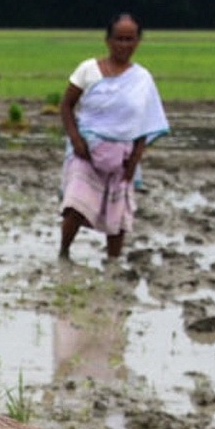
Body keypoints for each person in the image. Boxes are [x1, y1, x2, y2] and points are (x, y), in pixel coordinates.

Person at [58, 13, 168, 262]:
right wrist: (76, 140)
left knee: (118, 215)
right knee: (75, 204)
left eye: (130, 39)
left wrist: (135, 159)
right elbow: (66, 106)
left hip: (123, 156)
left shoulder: (142, 79)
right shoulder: (88, 70)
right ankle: (64, 253)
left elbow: (146, 121)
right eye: (119, 39)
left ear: (138, 42)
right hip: (87, 150)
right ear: (108, 41)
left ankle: (113, 263)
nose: (124, 45)